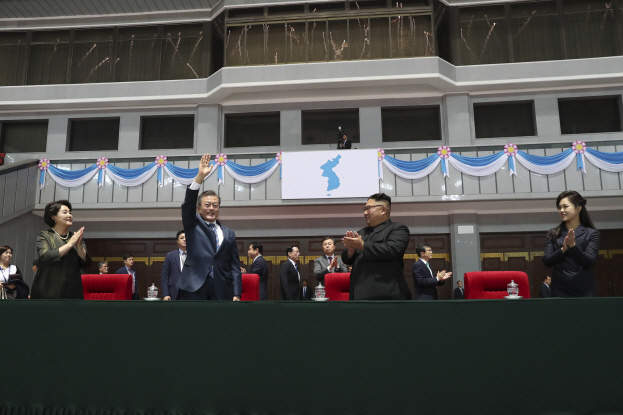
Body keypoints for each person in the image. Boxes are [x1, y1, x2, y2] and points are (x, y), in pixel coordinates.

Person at [177, 153, 242, 301]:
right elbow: (187, 205)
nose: (211, 208)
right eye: (207, 205)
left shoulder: (229, 233)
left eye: (215, 205)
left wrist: (237, 292)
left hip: (222, 287)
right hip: (193, 285)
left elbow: (234, 265)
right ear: (199, 209)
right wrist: (199, 177)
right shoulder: (193, 225)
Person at [342, 193, 411, 300]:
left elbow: (392, 249)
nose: (365, 213)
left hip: (386, 295)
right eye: (364, 209)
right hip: (358, 294)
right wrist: (351, 249)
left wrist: (363, 245)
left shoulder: (398, 229)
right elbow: (347, 260)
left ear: (383, 210)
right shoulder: (362, 232)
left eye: (368, 208)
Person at [31, 200, 92, 299]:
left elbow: (86, 263)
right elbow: (46, 257)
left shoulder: (74, 236)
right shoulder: (45, 235)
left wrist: (79, 246)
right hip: (48, 291)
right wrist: (70, 244)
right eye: (65, 212)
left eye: (70, 213)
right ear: (53, 217)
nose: (69, 215)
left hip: (73, 291)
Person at [543, 190, 600, 297]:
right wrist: (563, 249)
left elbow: (590, 261)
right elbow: (547, 261)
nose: (561, 210)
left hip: (585, 289)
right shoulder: (553, 233)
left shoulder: (591, 233)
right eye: (559, 207)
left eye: (565, 206)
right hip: (560, 289)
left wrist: (573, 246)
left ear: (578, 208)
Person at [161, 231, 186, 301]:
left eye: (187, 238)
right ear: (177, 241)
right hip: (174, 291)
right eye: (182, 238)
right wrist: (165, 294)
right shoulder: (170, 255)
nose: (184, 239)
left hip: (191, 292)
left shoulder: (194, 256)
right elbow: (164, 276)